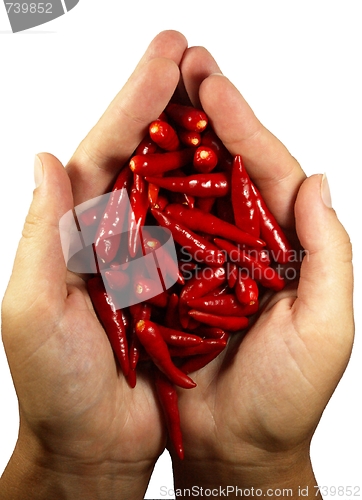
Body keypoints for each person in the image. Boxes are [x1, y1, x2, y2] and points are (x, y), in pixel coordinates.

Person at [0, 30, 354, 499]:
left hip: (179, 286)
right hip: (176, 288)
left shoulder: (164, 250)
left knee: (174, 262)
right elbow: (211, 246)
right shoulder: (163, 243)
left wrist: (70, 466)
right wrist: (68, 457)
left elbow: (210, 245)